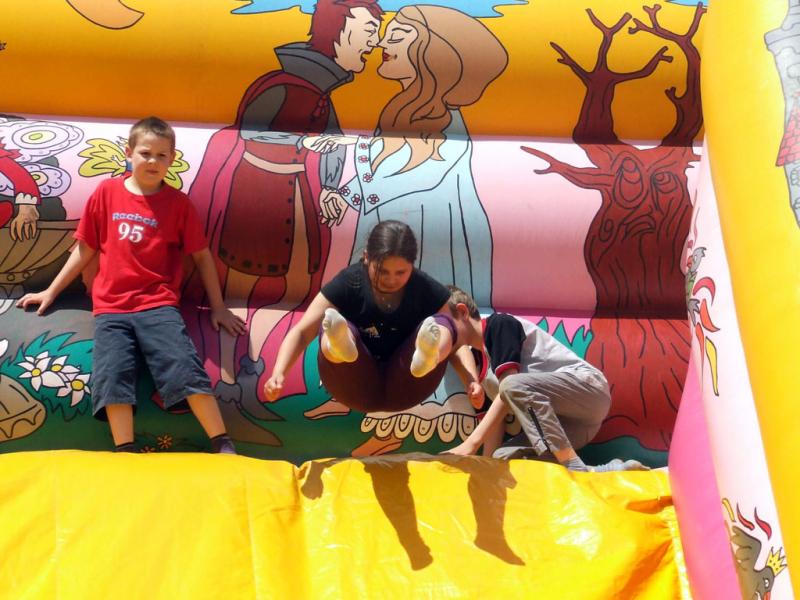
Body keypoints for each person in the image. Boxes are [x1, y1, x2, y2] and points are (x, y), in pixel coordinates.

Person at [188, 0, 384, 422]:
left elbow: (331, 142)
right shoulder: (281, 85)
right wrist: (302, 144)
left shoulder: (320, 93)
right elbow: (247, 134)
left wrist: (328, 187)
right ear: (337, 30)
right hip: (257, 201)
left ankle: (252, 375)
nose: (375, 41)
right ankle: (227, 382)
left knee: (289, 291)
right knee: (244, 284)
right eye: (368, 30)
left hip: (296, 200)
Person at [16, 117, 246, 454]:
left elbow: (202, 257)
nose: (153, 161)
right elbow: (85, 249)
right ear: (129, 152)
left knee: (183, 365)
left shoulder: (179, 205)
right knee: (112, 374)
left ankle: (221, 441)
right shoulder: (107, 193)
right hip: (111, 307)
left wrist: (219, 307)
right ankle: (125, 449)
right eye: (145, 153)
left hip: (158, 305)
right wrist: (51, 291)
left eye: (162, 155)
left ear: (172, 158)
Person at [308, 5, 507, 308]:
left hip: (425, 235)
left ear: (428, 51)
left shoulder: (445, 120)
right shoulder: (398, 109)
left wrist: (352, 165)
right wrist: (343, 194)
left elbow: (421, 177)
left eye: (397, 36)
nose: (381, 43)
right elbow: (383, 168)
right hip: (387, 233)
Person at [264, 220, 483, 412]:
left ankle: (427, 357)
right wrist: (279, 373)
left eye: (401, 272)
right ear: (367, 257)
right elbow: (303, 332)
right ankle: (340, 346)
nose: (392, 280)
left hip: (408, 385)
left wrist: (471, 381)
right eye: (383, 271)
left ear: (412, 265)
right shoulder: (350, 282)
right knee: (330, 324)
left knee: (443, 323)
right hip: (353, 385)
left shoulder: (424, 288)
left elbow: (455, 342)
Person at [444, 287, 647, 472]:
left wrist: (470, 445)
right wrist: (487, 469)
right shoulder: (484, 368)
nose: (440, 334)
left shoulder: (498, 325)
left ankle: (572, 465)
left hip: (587, 392)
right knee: (503, 458)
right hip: (567, 428)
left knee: (511, 384)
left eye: (443, 324)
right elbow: (495, 423)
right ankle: (603, 471)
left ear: (462, 312)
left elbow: (510, 385)